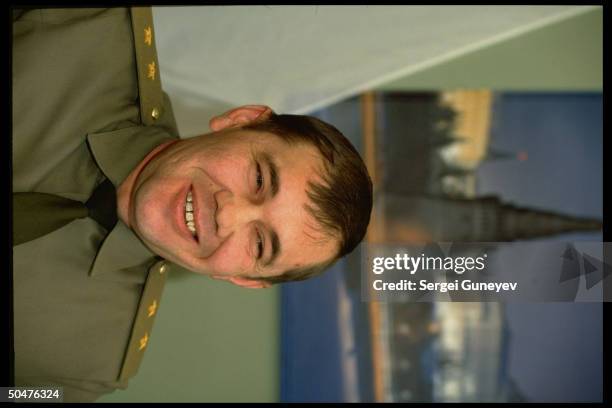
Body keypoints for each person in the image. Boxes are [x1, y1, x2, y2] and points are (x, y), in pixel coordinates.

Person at [12, 7, 372, 402]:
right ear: (242, 120)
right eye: (258, 179)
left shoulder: (84, 370)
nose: (227, 214)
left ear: (244, 279)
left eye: (259, 245)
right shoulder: (89, 22)